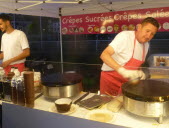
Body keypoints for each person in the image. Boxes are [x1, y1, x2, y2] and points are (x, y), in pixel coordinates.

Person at [100, 17, 159, 96]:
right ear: (139, 27)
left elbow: (137, 65)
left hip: (127, 83)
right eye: (147, 31)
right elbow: (104, 55)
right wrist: (122, 70)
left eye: (152, 34)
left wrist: (140, 73)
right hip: (111, 80)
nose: (148, 36)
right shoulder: (125, 36)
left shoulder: (146, 45)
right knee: (107, 106)